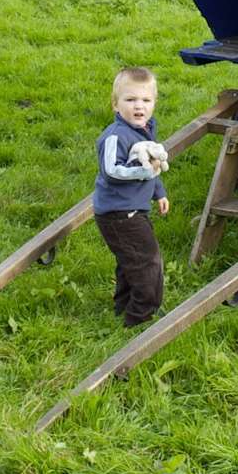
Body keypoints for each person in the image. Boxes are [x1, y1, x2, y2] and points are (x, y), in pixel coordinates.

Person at [92, 66, 169, 328]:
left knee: (130, 260)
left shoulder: (144, 130)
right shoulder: (115, 136)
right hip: (118, 215)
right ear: (116, 105)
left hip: (133, 210)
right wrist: (146, 172)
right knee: (147, 262)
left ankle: (123, 307)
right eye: (130, 100)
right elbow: (113, 172)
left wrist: (159, 192)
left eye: (146, 100)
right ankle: (141, 318)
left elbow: (151, 161)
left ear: (154, 103)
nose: (139, 106)